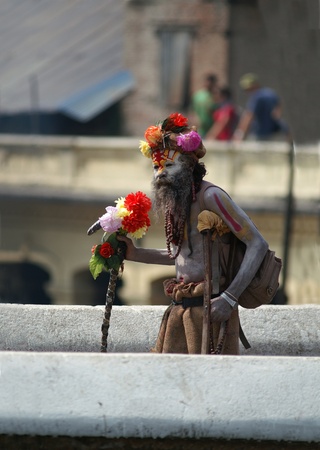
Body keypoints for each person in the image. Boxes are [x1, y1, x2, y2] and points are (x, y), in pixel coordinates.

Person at [118, 112, 268, 355]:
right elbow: (182, 256)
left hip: (213, 307)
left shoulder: (212, 197)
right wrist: (134, 253)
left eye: (168, 165)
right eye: (156, 166)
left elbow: (258, 244)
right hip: (180, 309)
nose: (159, 173)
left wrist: (229, 299)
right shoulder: (178, 201)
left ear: (188, 166)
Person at [233, 73, 289, 141]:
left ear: (255, 85)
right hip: (276, 133)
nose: (248, 92)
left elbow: (249, 116)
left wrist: (240, 134)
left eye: (248, 89)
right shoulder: (271, 93)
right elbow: (278, 113)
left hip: (260, 135)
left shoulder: (257, 97)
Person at [191, 73, 219, 138]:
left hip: (211, 128)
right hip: (200, 127)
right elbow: (193, 111)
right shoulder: (197, 95)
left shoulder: (216, 96)